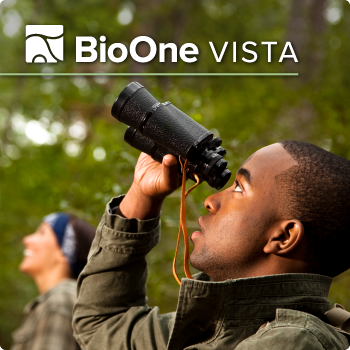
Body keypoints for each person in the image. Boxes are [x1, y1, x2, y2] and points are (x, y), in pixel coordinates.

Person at [72, 140, 350, 350]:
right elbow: (101, 327)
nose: (211, 200)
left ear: (283, 237)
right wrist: (143, 194)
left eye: (240, 188)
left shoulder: (293, 341)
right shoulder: (228, 325)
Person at [11, 213, 96, 350]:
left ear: (63, 253)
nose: (27, 240)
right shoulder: (63, 299)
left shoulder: (58, 303)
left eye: (42, 233)